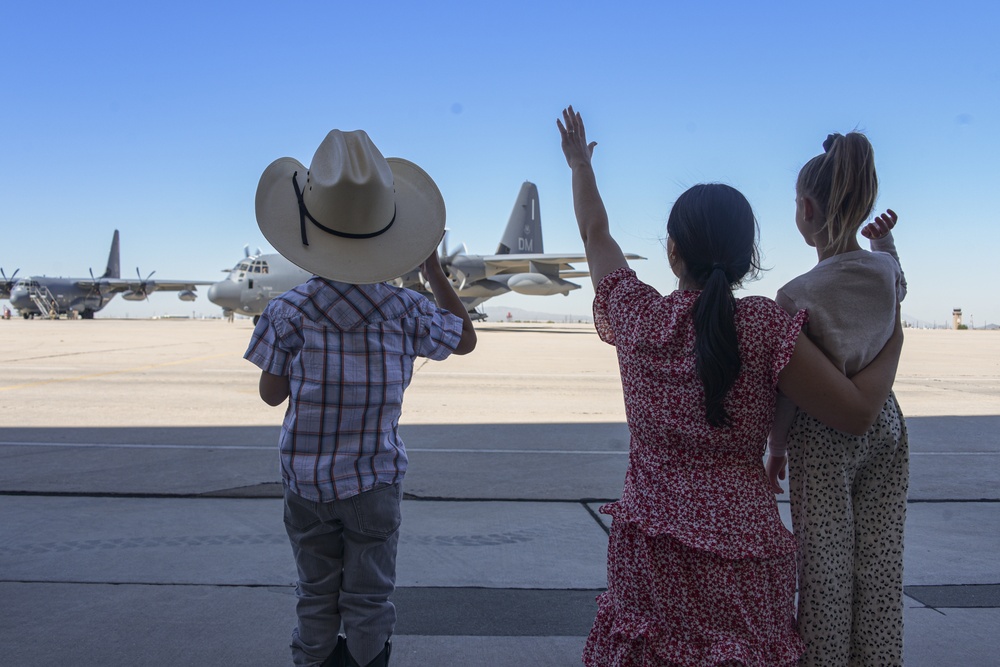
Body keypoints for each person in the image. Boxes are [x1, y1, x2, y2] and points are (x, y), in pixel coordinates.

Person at [557, 106, 904, 667]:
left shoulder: (638, 317)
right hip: (746, 551)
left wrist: (579, 166)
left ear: (673, 251)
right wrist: (895, 340)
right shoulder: (766, 327)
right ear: (748, 259)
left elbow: (595, 233)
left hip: (652, 547)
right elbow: (860, 412)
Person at [244, 129, 477, 667]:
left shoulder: (287, 311)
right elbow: (464, 340)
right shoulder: (404, 311)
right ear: (384, 234)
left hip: (306, 482)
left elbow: (269, 395)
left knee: (314, 593)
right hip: (374, 480)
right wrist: (433, 270)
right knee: (370, 597)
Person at [765, 132, 908, 666]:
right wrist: (886, 245)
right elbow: (899, 293)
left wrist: (776, 446)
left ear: (805, 209)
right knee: (879, 562)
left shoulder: (797, 294)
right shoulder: (884, 272)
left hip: (823, 436)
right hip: (888, 426)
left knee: (825, 570)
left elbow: (791, 386)